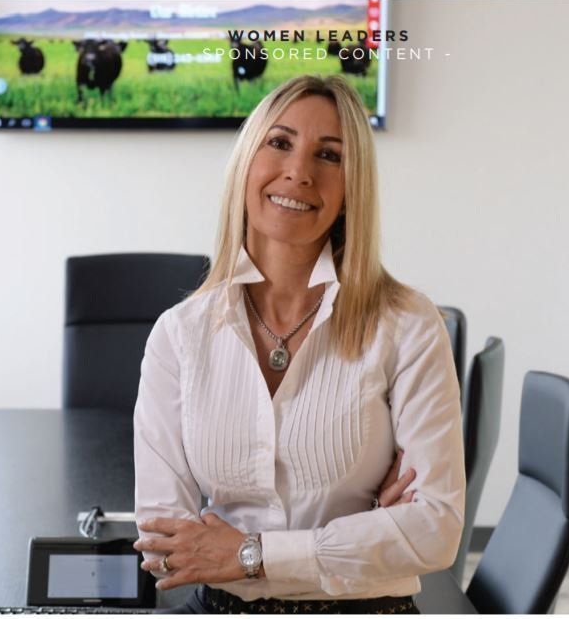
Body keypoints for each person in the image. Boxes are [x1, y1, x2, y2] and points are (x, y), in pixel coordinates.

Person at [132, 75, 465, 614]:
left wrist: (248, 554)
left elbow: (435, 532)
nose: (300, 172)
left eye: (329, 156)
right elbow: (168, 550)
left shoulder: (408, 324)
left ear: (352, 188)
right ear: (246, 161)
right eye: (280, 143)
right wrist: (368, 535)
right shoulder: (180, 334)